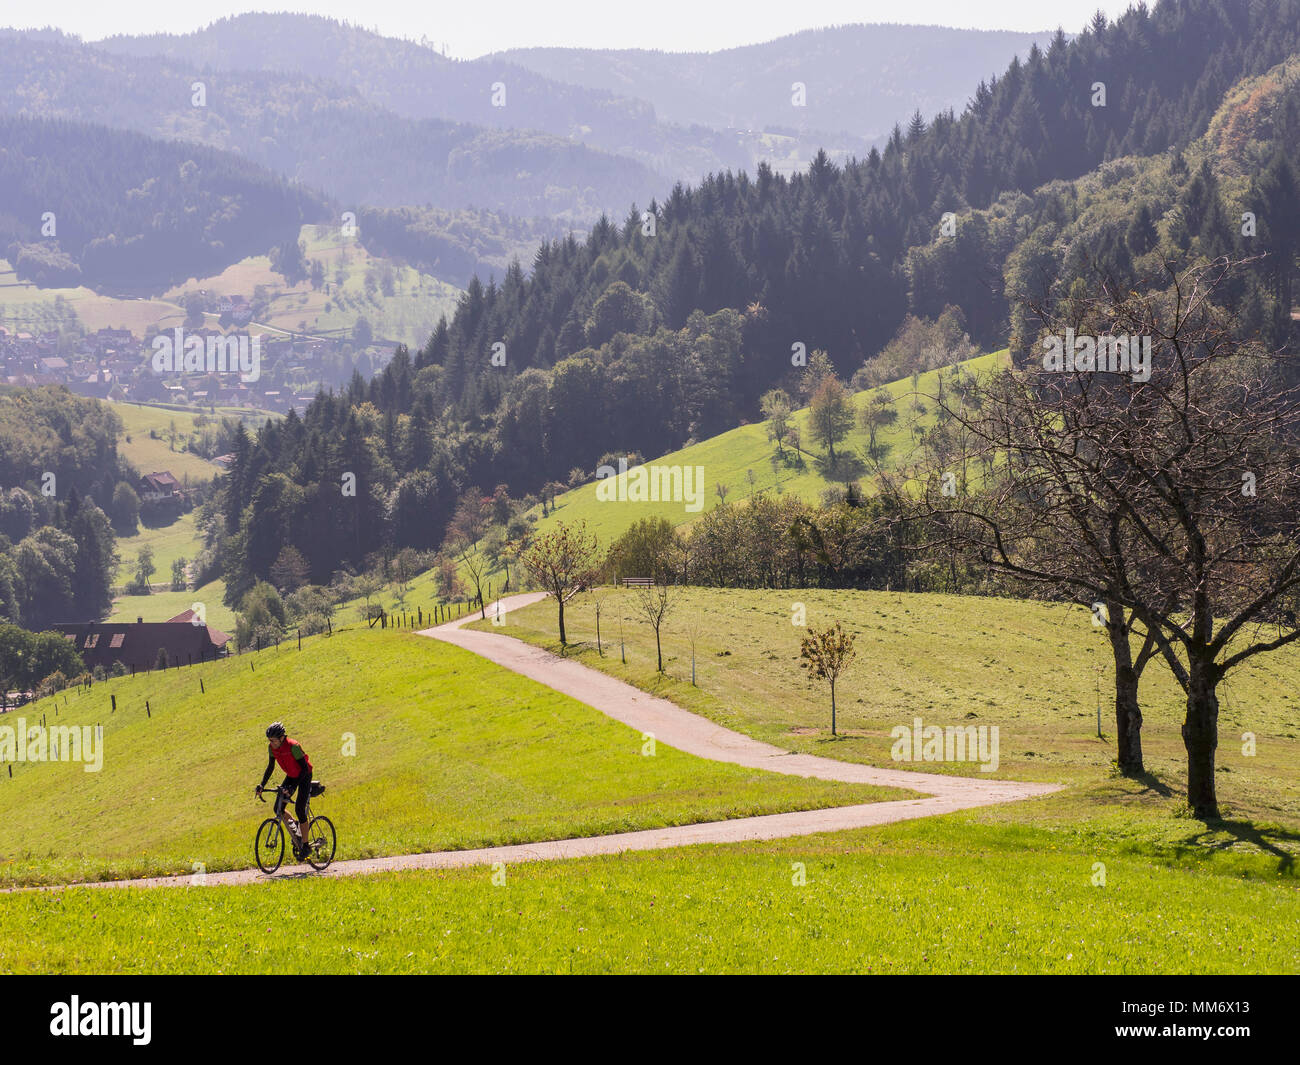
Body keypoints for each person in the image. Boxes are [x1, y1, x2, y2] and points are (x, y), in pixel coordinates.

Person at [255, 722, 314, 861]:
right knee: (278, 808)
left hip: (304, 776)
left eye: (273, 740)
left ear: (281, 738)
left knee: (300, 809)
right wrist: (262, 785)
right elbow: (270, 767)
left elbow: (304, 769)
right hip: (292, 776)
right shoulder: (271, 748)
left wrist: (292, 788)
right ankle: (297, 827)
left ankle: (306, 846)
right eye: (269, 740)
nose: (271, 743)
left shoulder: (293, 746)